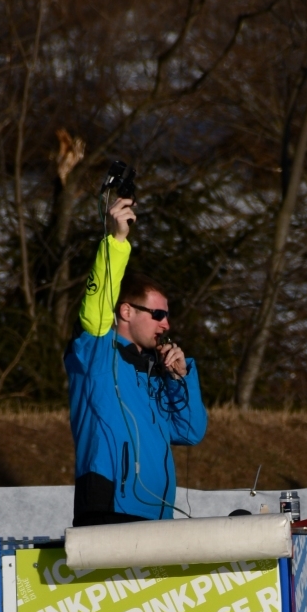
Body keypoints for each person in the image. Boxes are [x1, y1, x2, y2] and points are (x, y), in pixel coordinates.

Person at [65, 195, 207, 525]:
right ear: (126, 311)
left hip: (154, 517)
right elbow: (97, 305)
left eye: (167, 316)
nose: (166, 324)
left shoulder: (151, 373)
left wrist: (179, 379)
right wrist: (117, 240)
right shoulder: (96, 354)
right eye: (158, 314)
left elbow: (190, 431)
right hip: (108, 504)